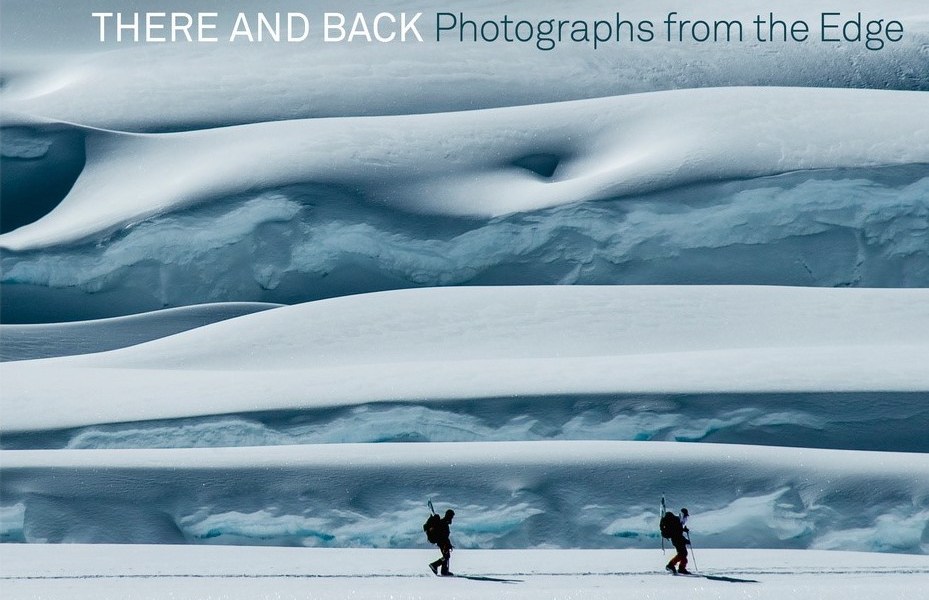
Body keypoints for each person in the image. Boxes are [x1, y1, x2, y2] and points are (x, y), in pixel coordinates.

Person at [663, 508, 691, 575]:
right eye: (685, 515)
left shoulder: (678, 521)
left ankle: (681, 568)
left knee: (683, 554)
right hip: (677, 540)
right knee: (682, 554)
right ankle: (671, 565)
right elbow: (677, 534)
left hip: (677, 540)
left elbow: (678, 531)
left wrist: (684, 530)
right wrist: (685, 540)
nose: (686, 517)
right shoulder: (677, 521)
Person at [427, 509, 455, 576]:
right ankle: (434, 565)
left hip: (443, 543)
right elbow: (443, 536)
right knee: (446, 557)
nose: (452, 518)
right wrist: (447, 545)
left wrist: (449, 544)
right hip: (443, 543)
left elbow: (445, 536)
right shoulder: (443, 523)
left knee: (446, 556)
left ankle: (444, 571)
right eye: (452, 516)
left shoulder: (443, 522)